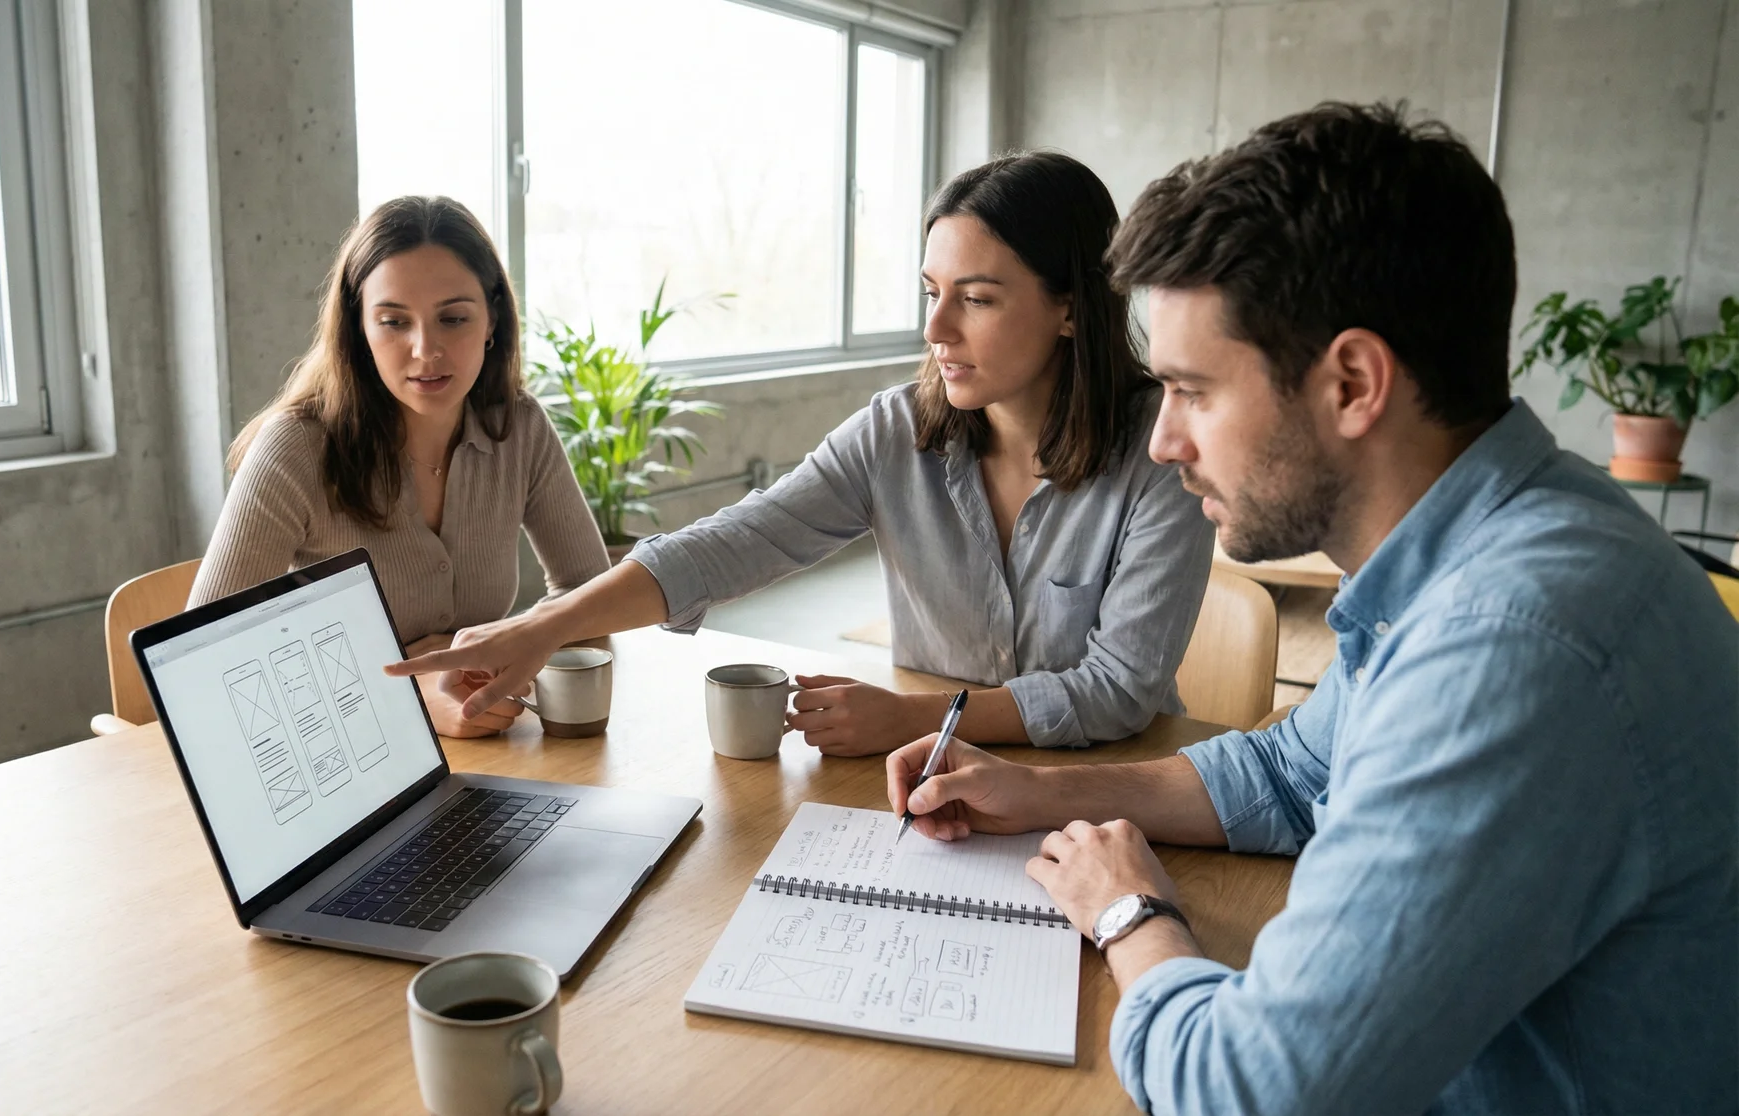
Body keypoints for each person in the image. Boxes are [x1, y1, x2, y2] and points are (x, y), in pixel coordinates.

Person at [886, 102, 1738, 1113]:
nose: (1161, 442)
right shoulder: (1488, 545)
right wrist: (1040, 793)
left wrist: (1128, 914)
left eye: (1192, 391)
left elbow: (1249, 1093)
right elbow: (1291, 775)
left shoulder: (1512, 645)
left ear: (1350, 383)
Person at [392, 152, 1214, 754]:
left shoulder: (1161, 452)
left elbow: (1118, 692)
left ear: (1070, 308)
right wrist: (545, 627)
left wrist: (923, 718)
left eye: (978, 299)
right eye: (932, 294)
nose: (936, 331)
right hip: (932, 785)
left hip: (1103, 785)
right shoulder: (896, 432)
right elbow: (736, 541)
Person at [190, 196, 609, 737]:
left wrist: (504, 650)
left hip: (492, 755)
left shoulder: (519, 426)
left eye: (453, 318)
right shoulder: (294, 448)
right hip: (349, 757)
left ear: (492, 320)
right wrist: (405, 687)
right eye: (393, 322)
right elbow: (201, 662)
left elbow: (592, 597)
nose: (425, 349)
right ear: (359, 330)